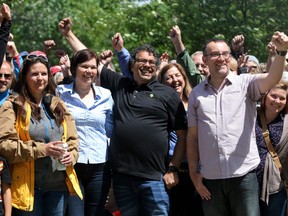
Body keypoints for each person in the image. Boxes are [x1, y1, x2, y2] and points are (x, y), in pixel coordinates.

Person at [58, 17, 187, 216]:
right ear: (132, 65)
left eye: (152, 62)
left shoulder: (167, 94)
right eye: (142, 61)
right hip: (123, 179)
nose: (147, 65)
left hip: (155, 178)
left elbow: (183, 135)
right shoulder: (120, 86)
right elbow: (91, 63)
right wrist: (68, 34)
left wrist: (173, 169)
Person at [186, 31, 288, 216]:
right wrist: (194, 174)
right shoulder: (196, 94)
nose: (221, 58)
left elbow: (272, 78)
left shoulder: (245, 84)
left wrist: (280, 52)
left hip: (244, 177)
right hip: (211, 179)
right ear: (206, 60)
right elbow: (192, 137)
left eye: (225, 54)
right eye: (215, 54)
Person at [0, 51, 82, 215]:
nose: (40, 78)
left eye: (44, 73)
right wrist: (42, 150)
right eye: (34, 74)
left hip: (59, 186)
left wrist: (71, 156)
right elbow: (4, 145)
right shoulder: (12, 106)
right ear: (25, 77)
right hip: (28, 187)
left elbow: (73, 140)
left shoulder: (58, 104)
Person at [57, 49, 113, 216]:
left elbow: (110, 130)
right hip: (72, 165)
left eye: (93, 67)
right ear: (74, 68)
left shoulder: (106, 95)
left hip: (100, 165)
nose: (89, 71)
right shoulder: (61, 93)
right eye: (84, 66)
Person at [158, 62, 203, 216]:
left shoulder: (195, 101)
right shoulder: (159, 105)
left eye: (177, 75)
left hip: (198, 170)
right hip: (172, 171)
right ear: (162, 83)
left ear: (184, 78)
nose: (174, 80)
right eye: (168, 78)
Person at [255, 82, 288, 216]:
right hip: (249, 182)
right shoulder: (251, 117)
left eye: (282, 98)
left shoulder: (286, 122)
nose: (277, 101)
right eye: (273, 96)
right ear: (265, 96)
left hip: (276, 185)